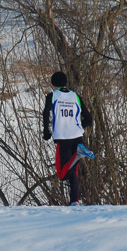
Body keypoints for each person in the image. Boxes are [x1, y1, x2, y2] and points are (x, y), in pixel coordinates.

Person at [42, 71, 95, 206]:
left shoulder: (52, 96)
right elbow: (89, 119)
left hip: (63, 137)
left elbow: (45, 113)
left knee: (62, 174)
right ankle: (74, 201)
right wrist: (78, 127)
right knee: (73, 171)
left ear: (53, 84)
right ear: (66, 83)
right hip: (77, 136)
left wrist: (46, 132)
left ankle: (78, 154)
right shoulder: (75, 96)